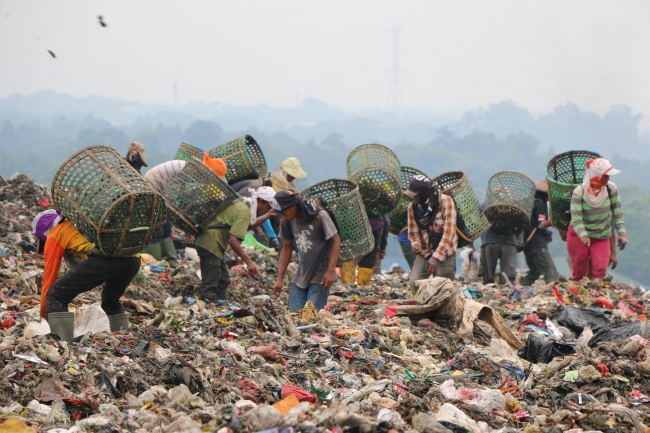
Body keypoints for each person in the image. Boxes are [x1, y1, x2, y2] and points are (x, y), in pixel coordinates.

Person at [40, 217, 140, 343]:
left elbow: (49, 276)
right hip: (133, 260)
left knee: (56, 295)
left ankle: (64, 345)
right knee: (111, 301)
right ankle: (125, 341)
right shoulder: (82, 222)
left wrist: (45, 314)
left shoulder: (55, 233)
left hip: (105, 261)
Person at [143, 153, 227, 268]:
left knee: (166, 227)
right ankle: (155, 264)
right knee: (156, 229)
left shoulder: (194, 170)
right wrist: (187, 228)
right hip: (153, 187)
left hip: (163, 192)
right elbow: (183, 202)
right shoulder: (191, 171)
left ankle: (170, 263)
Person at [272, 191, 341, 312]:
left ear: (294, 206)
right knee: (294, 313)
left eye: (284, 213)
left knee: (312, 314)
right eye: (280, 214)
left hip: (321, 271)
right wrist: (279, 278)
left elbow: (335, 240)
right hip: (302, 271)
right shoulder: (287, 220)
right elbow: (287, 247)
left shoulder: (320, 215)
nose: (282, 217)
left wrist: (330, 271)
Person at [568, 158, 627, 281]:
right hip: (579, 237)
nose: (608, 179)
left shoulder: (611, 189)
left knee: (600, 273)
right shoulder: (580, 192)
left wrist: (622, 233)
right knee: (580, 273)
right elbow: (576, 218)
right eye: (605, 176)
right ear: (596, 175)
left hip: (601, 236)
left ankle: (596, 298)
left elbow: (617, 213)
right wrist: (583, 235)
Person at [194, 199, 261, 303]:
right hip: (210, 243)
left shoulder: (239, 205)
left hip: (209, 242)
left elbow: (243, 228)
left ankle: (222, 303)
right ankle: (207, 305)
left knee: (223, 279)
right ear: (261, 202)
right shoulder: (244, 212)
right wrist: (249, 262)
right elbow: (232, 240)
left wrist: (269, 215)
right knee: (209, 284)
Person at [405, 175, 458, 292]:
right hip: (426, 250)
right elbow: (413, 233)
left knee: (443, 287)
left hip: (445, 250)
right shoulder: (413, 207)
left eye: (416, 195)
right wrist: (416, 244)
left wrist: (435, 259)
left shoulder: (445, 202)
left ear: (423, 193)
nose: (414, 198)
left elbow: (449, 233)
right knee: (415, 283)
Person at [519, 180, 561, 286]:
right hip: (537, 244)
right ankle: (554, 292)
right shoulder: (540, 204)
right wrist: (553, 221)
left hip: (527, 244)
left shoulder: (528, 205)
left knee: (534, 273)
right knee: (550, 272)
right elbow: (540, 224)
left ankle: (519, 285)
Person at [340, 214, 390, 286]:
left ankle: (347, 284)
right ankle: (363, 285)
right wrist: (383, 247)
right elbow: (387, 221)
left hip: (352, 225)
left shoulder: (353, 206)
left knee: (348, 253)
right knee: (370, 255)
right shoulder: (376, 205)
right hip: (375, 224)